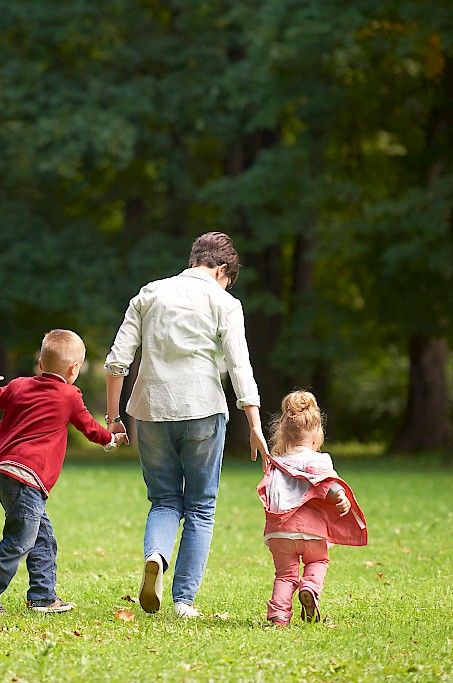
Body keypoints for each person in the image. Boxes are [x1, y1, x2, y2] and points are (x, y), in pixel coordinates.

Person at [104, 231, 270, 618]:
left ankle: (156, 557)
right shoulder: (225, 302)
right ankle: (183, 600)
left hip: (150, 411)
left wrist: (113, 420)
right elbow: (240, 366)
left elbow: (117, 362)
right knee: (200, 506)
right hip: (203, 410)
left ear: (195, 259)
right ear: (223, 270)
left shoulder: (150, 293)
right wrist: (255, 424)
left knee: (163, 499)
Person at [0, 329, 129, 614]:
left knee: (42, 537)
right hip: (28, 478)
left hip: (5, 473)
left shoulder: (19, 386)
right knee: (19, 541)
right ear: (74, 369)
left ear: (40, 363)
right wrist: (111, 439)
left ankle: (43, 596)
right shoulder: (69, 395)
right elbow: (90, 428)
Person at [257, 390, 367, 626]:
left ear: (283, 434)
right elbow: (326, 482)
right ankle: (310, 587)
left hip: (279, 533)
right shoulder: (319, 460)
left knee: (285, 575)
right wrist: (341, 496)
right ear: (318, 433)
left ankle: (278, 615)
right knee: (317, 562)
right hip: (312, 532)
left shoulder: (276, 463)